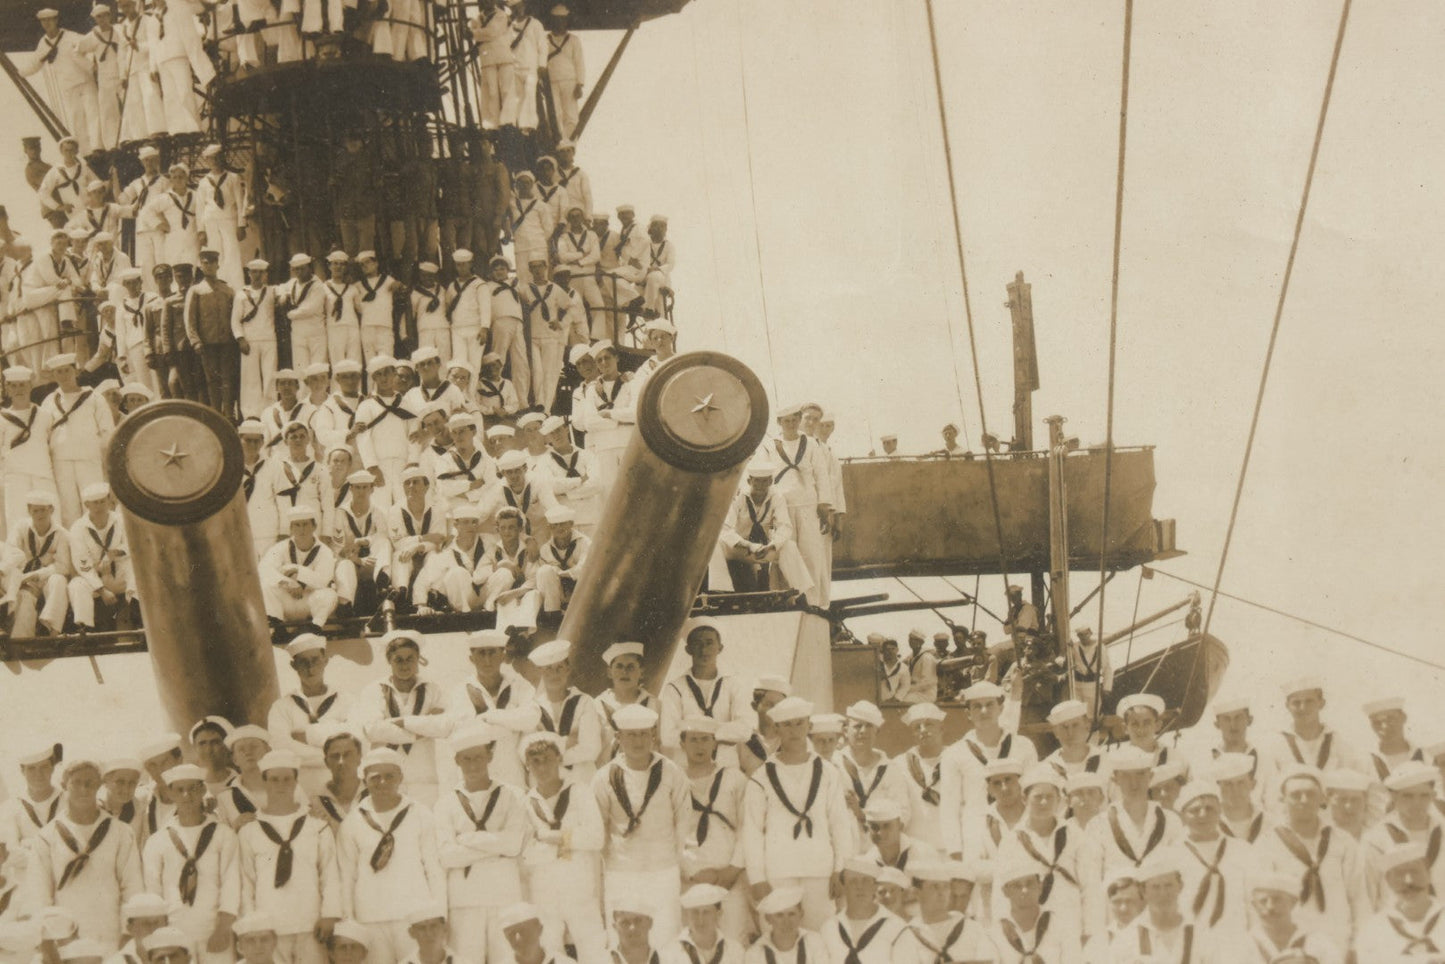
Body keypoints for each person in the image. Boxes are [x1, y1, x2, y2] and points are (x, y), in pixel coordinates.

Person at [741, 696, 854, 929]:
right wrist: (758, 878)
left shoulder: (828, 772)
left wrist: (840, 869)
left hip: (820, 871)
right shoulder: (762, 777)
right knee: (781, 939)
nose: (794, 730)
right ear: (776, 728)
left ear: (809, 727)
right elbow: (752, 831)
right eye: (787, 724)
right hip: (778, 871)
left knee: (823, 936)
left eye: (799, 723)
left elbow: (840, 825)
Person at [591, 701, 690, 944]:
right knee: (622, 940)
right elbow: (598, 830)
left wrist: (673, 862)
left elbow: (683, 822)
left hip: (662, 871)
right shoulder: (604, 777)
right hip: (621, 872)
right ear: (618, 737)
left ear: (653, 736)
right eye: (631, 735)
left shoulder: (671, 772)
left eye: (644, 734)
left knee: (665, 938)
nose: (638, 741)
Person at [334, 749, 444, 964]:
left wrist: (438, 915)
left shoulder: (420, 814)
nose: (382, 782)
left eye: (390, 776)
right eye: (375, 777)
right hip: (370, 918)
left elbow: (434, 869)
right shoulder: (352, 822)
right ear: (364, 780)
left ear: (401, 777)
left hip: (414, 917)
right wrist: (350, 920)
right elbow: (347, 876)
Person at [23, 758, 144, 949]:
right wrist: (46, 941)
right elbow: (39, 895)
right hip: (65, 939)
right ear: (64, 786)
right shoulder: (47, 836)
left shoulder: (120, 832)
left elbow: (132, 887)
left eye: (90, 783)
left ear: (100, 786)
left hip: (110, 937)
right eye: (76, 782)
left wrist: (128, 935)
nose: (84, 789)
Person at [434, 722, 529, 964]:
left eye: (478, 757)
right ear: (457, 760)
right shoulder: (445, 803)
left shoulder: (513, 795)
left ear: (490, 755)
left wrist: (468, 839)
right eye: (466, 759)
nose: (473, 765)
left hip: (504, 896)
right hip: (464, 900)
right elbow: (447, 856)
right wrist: (493, 847)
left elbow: (513, 845)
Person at [236, 750, 339, 964]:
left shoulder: (316, 825)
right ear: (265, 782)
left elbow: (330, 873)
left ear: (295, 782)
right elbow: (246, 882)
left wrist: (330, 914)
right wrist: (251, 925)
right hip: (268, 928)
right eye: (274, 779)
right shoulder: (250, 831)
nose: (280, 785)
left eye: (286, 779)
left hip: (311, 923)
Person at [1254, 765, 1367, 952]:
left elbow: (1359, 899)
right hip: (1293, 946)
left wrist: (1358, 946)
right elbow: (1264, 903)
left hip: (1339, 942)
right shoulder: (1268, 843)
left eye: (1310, 794)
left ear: (1322, 799)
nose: (1304, 800)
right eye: (1296, 795)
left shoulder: (1343, 842)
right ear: (1283, 799)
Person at [517, 732, 607, 964]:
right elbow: (525, 851)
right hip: (544, 886)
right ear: (528, 766)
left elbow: (596, 837)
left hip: (579, 884)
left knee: (593, 948)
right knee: (549, 950)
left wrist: (553, 838)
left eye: (547, 758)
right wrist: (555, 846)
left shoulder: (580, 792)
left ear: (559, 758)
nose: (542, 766)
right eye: (535, 762)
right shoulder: (527, 802)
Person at [141, 764, 241, 964]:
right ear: (170, 793)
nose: (187, 795)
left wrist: (223, 928)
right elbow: (153, 891)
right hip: (175, 932)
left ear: (203, 789)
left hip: (214, 929)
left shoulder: (223, 834)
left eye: (193, 788)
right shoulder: (158, 840)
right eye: (179, 789)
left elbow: (232, 883)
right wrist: (162, 935)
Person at [349, 631, 451, 806]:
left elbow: (442, 726)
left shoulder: (433, 690)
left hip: (424, 778)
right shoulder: (374, 690)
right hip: (385, 777)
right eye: (398, 659)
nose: (405, 665)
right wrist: (420, 731)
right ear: (389, 660)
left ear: (418, 658)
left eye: (410, 658)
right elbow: (372, 730)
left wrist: (403, 722)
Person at [673, 718, 749, 943]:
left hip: (729, 878)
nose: (699, 746)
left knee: (733, 942)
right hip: (690, 878)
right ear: (683, 744)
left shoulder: (734, 778)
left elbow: (747, 829)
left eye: (705, 739)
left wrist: (729, 872)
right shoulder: (674, 780)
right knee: (692, 943)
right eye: (693, 740)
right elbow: (667, 832)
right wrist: (687, 875)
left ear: (715, 743)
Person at [267, 634, 354, 797]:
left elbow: (355, 738)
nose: (310, 667)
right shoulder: (282, 707)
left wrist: (305, 736)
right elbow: (281, 747)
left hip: (343, 787)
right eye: (303, 662)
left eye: (315, 660)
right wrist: (335, 751)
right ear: (293, 665)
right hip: (302, 788)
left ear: (325, 661)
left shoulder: (346, 700)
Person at [1360, 761, 1445, 910]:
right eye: (1408, 796)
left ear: (1433, 796)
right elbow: (1367, 898)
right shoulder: (1376, 839)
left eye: (1424, 795)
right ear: (1394, 797)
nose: (1416, 803)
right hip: (1396, 926)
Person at [1106, 854, 1215, 964]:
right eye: (1155, 887)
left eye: (1168, 885)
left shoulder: (1201, 935)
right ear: (1143, 891)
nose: (1163, 894)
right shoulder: (1127, 939)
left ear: (1180, 886)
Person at [23, 14, 101, 154]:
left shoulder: (71, 36)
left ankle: (97, 147)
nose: (47, 23)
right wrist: (20, 73)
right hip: (68, 86)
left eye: (49, 19)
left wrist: (94, 65)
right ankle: (84, 152)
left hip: (84, 81)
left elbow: (92, 43)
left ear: (56, 20)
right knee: (76, 119)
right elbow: (35, 63)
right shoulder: (44, 43)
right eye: (44, 20)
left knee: (93, 114)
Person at [65, 482, 134, 631]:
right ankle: (85, 630)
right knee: (76, 585)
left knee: (135, 572)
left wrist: (115, 553)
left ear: (109, 501)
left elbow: (132, 544)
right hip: (95, 577)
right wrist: (102, 590)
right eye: (95, 503)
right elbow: (82, 563)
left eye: (103, 501)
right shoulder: (78, 528)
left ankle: (137, 616)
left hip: (119, 572)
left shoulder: (121, 520)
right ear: (87, 505)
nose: (99, 506)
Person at [819, 859, 915, 964]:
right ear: (844, 887)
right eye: (853, 881)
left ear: (875, 886)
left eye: (865, 880)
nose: (859, 887)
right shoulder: (829, 928)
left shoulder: (897, 927)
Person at [259, 505, 339, 630]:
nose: (302, 530)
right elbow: (264, 569)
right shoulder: (280, 547)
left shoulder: (325, 551)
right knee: (265, 587)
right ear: (291, 528)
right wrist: (287, 582)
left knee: (329, 595)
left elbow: (322, 580)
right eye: (297, 525)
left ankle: (314, 628)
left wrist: (298, 571)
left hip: (309, 601)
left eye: (306, 524)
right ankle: (277, 627)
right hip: (287, 600)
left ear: (314, 527)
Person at [8, 490, 72, 638]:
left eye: (43, 510)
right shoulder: (20, 528)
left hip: (47, 577)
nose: (40, 514)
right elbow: (11, 553)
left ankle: (53, 632)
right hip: (24, 576)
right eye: (35, 510)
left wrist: (37, 574)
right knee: (24, 597)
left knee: (59, 581)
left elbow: (63, 566)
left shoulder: (61, 534)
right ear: (29, 511)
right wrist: (21, 578)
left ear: (51, 510)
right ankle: (23, 641)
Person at [0, 367, 55, 535]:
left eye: (23, 385)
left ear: (30, 386)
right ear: (8, 389)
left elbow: (52, 446)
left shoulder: (45, 415)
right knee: (17, 523)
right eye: (14, 386)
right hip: (15, 478)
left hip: (42, 475)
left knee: (51, 522)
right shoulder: (2, 419)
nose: (19, 390)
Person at [185, 249, 240, 418]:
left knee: (228, 380)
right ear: (200, 266)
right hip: (207, 344)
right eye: (205, 263)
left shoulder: (228, 290)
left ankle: (229, 415)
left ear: (218, 264)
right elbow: (190, 319)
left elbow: (236, 315)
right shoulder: (196, 290)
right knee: (212, 381)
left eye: (212, 262)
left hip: (227, 343)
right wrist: (195, 341)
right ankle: (217, 415)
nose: (209, 266)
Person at [233, 260, 279, 419]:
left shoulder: (272, 291)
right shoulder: (241, 294)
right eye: (254, 272)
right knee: (250, 378)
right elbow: (235, 320)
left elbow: (287, 292)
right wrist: (240, 338)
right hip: (250, 340)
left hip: (268, 339)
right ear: (249, 274)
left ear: (265, 274)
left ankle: (270, 411)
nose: (257, 275)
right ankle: (251, 414)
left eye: (261, 272)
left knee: (270, 375)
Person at [486, 258, 530, 407]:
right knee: (498, 361)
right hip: (500, 321)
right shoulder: (488, 286)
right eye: (496, 269)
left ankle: (522, 402)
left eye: (502, 269)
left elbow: (528, 297)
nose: (499, 272)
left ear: (507, 270)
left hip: (517, 322)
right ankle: (496, 402)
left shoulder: (515, 283)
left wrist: (517, 283)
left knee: (521, 362)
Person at [742, 888, 824, 964]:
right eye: (779, 915)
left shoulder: (814, 942)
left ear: (801, 914)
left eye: (792, 914)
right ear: (768, 918)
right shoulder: (755, 953)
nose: (786, 922)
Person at [665, 885, 742, 964]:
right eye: (695, 912)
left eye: (706, 912)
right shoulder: (670, 953)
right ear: (687, 915)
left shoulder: (735, 951)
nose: (700, 920)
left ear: (719, 914)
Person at [279, 255, 329, 374]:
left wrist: (290, 314)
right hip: (298, 333)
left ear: (309, 268)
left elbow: (311, 309)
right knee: (300, 369)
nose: (299, 272)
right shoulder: (292, 283)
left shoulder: (317, 285)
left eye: (302, 268)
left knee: (318, 369)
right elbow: (279, 287)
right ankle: (302, 393)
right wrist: (283, 295)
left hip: (315, 333)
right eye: (296, 269)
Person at [1041, 701, 1104, 780]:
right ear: (1056, 732)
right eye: (1065, 727)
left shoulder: (1105, 761)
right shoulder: (1047, 768)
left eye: (1075, 725)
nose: (1070, 733)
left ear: (1087, 726)